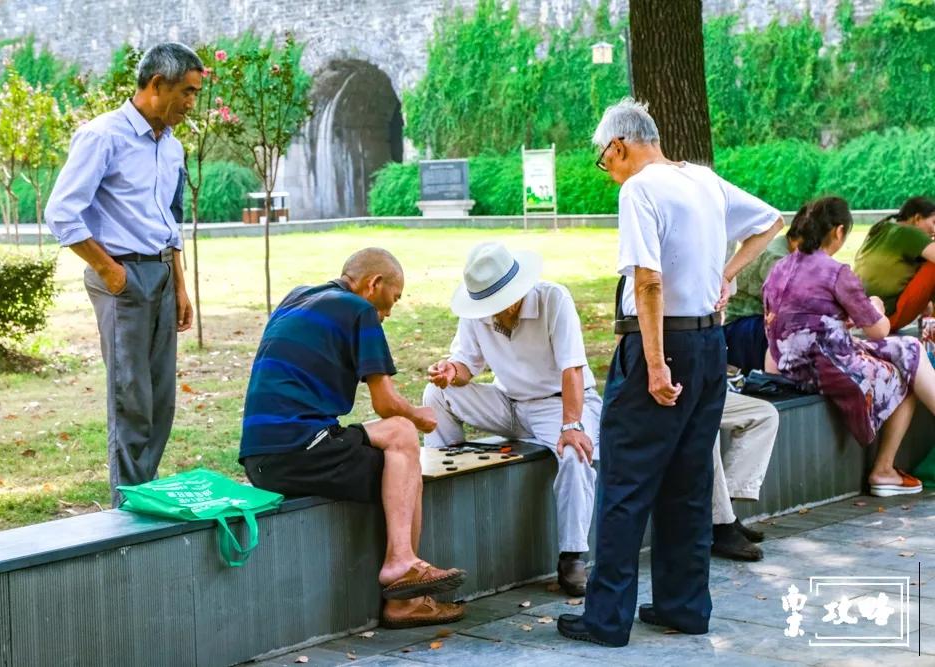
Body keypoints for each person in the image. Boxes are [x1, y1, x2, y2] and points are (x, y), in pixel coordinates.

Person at [557, 98, 783, 648]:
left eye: (603, 159)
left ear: (618, 145)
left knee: (625, 482)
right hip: (708, 344)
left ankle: (606, 619)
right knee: (689, 481)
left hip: (660, 344)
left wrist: (655, 365)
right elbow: (772, 221)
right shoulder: (702, 179)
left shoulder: (640, 189)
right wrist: (724, 274)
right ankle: (684, 606)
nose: (607, 171)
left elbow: (648, 281)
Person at [239, 248, 467, 629]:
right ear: (374, 284)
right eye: (393, 299)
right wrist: (420, 416)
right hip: (301, 449)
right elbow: (385, 403)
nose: (389, 312)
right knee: (403, 444)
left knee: (397, 448)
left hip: (260, 459)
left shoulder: (296, 297)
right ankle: (403, 579)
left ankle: (404, 573)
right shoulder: (359, 310)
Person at [45, 43, 199, 506]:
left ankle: (146, 493)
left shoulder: (171, 147)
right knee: (131, 399)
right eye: (187, 92)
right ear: (157, 85)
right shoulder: (102, 136)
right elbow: (62, 213)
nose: (192, 103)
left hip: (162, 274)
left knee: (161, 399)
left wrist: (180, 286)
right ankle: (129, 505)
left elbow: (170, 222)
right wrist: (110, 272)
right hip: (122, 278)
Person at [423, 242, 602, 597]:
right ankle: (446, 476)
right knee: (435, 395)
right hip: (509, 402)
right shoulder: (477, 310)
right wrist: (450, 371)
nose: (494, 313)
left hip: (559, 403)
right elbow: (467, 364)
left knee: (575, 454)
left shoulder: (554, 299)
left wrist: (571, 425)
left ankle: (572, 557)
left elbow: (572, 368)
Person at [763, 196, 935, 497]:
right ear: (839, 231)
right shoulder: (835, 272)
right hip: (828, 367)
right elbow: (879, 330)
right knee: (908, 361)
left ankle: (885, 471)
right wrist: (875, 305)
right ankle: (883, 470)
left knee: (909, 350)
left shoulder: (780, 267)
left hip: (787, 365)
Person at [724, 213, 804, 374]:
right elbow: (785, 306)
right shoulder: (777, 257)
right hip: (741, 325)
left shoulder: (784, 245)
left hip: (748, 322)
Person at [710, 391, 778, 562]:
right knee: (705, 429)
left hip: (701, 390)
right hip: (661, 397)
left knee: (765, 414)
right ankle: (721, 525)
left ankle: (724, 508)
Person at [854, 197, 935, 332]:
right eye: (933, 222)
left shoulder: (881, 228)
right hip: (886, 319)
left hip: (863, 318)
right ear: (917, 218)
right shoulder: (910, 233)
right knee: (932, 266)